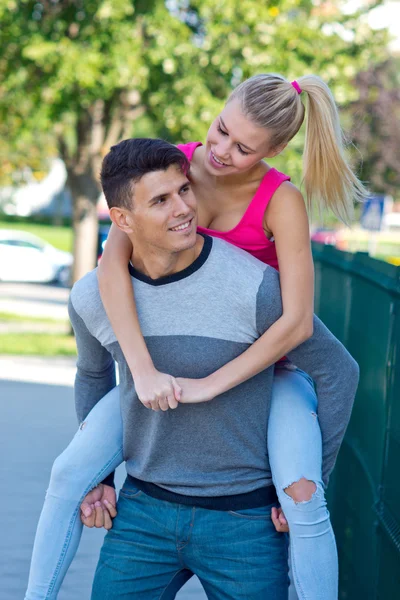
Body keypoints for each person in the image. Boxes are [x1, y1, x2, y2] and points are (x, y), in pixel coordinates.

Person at [26, 138, 359, 600]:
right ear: (122, 220)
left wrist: (313, 478)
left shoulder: (254, 287)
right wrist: (100, 479)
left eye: (184, 189)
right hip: (143, 514)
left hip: (243, 525)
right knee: (66, 477)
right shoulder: (91, 297)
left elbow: (338, 370)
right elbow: (92, 374)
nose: (184, 207)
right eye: (160, 200)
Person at [96, 74, 366, 596]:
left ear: (276, 149)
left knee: (305, 501)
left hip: (267, 369)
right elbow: (112, 264)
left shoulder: (280, 199)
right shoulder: (171, 167)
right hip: (163, 366)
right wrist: (142, 369)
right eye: (220, 130)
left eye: (243, 148)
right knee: (69, 477)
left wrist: (211, 385)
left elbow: (297, 322)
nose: (220, 151)